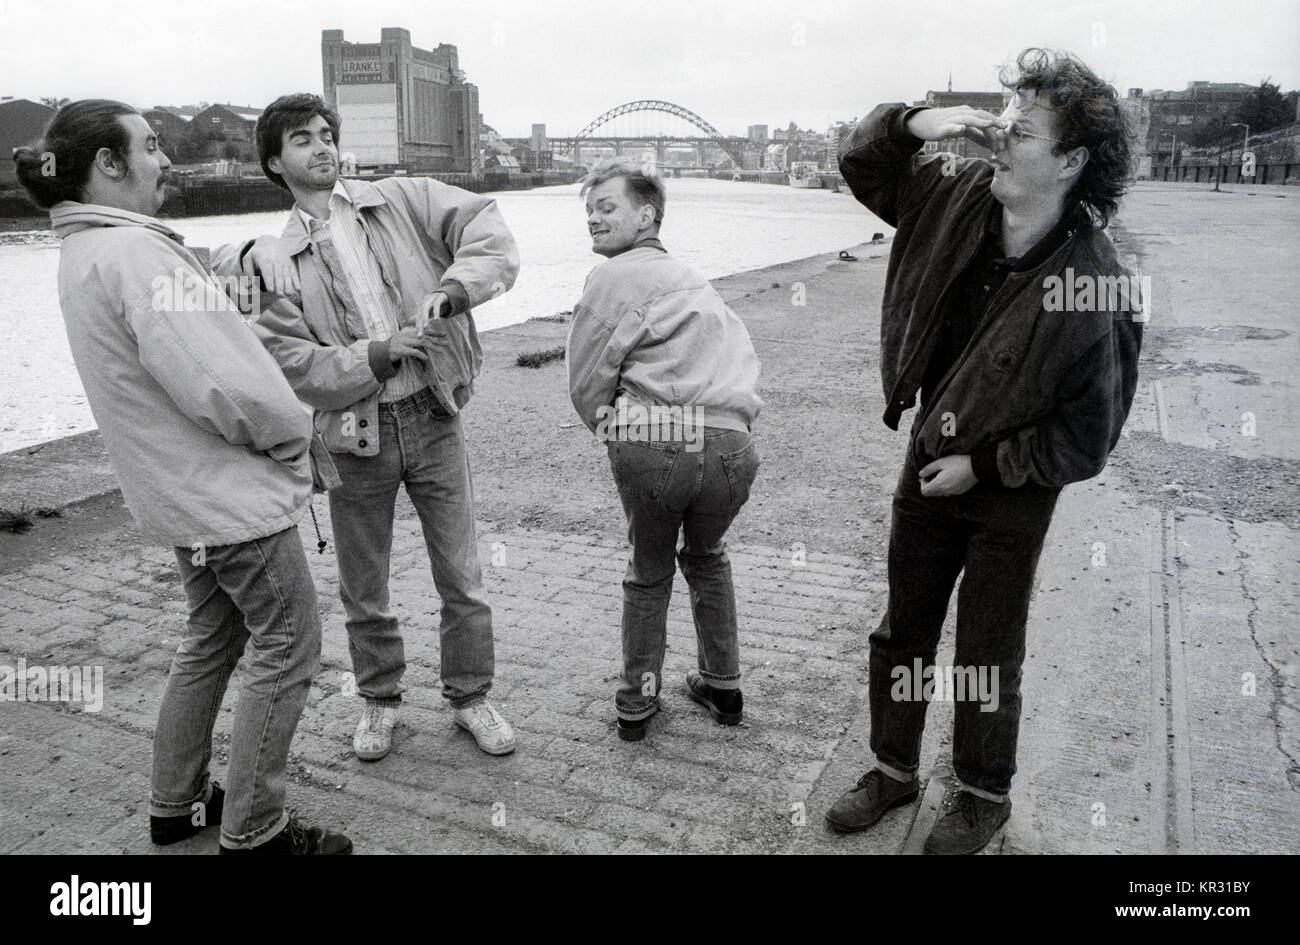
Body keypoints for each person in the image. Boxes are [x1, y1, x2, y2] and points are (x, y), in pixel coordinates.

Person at [826, 48, 1143, 853]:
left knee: (987, 649)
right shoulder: (955, 199)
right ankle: (892, 769)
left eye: (1023, 131)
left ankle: (980, 793)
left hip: (1009, 487)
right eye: (1002, 122)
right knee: (903, 628)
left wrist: (990, 464)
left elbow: (1087, 436)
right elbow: (861, 164)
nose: (999, 140)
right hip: (929, 457)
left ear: (1072, 160)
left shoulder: (1097, 283)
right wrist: (910, 123)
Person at [14, 100, 351, 854]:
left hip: (177, 495)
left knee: (212, 636)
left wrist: (239, 259)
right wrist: (297, 436)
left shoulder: (90, 251)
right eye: (153, 147)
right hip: (227, 501)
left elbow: (191, 307)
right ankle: (256, 832)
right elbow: (225, 385)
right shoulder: (136, 256)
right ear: (108, 163)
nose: (167, 162)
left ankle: (180, 803)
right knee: (289, 642)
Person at [213, 93, 520, 761]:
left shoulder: (401, 198)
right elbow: (293, 365)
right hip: (355, 436)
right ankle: (379, 703)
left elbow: (488, 227)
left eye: (327, 134)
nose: (322, 146)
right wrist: (373, 357)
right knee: (364, 584)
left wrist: (460, 287)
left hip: (434, 413)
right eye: (303, 139)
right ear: (274, 161)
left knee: (461, 571)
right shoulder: (273, 258)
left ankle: (471, 696)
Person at [566, 158, 762, 741]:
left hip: (657, 436)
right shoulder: (695, 280)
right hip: (732, 441)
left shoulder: (613, 278)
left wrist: (617, 434)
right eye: (589, 212)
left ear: (647, 213)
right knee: (707, 556)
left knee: (649, 570)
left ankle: (637, 703)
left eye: (607, 207)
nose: (594, 221)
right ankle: (723, 686)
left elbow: (586, 382)